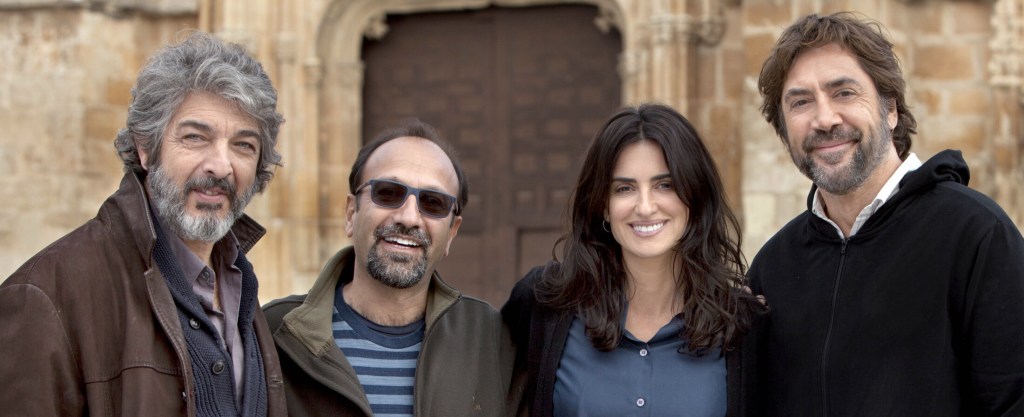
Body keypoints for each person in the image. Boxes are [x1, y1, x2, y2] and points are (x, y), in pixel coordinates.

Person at [750, 11, 1024, 416]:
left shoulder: (976, 235)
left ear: (890, 108)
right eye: (801, 102)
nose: (824, 119)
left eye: (844, 92)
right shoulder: (773, 267)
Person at [0, 31, 287, 416]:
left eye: (243, 145)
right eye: (195, 137)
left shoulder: (240, 282)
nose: (221, 165)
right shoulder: (43, 294)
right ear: (146, 148)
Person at [502, 103, 766, 417]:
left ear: (695, 196)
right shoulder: (544, 304)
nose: (644, 206)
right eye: (624, 188)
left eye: (665, 185)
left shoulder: (742, 326)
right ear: (603, 205)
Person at [262, 119, 515, 417]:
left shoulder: (489, 338)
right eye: (388, 192)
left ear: (452, 232)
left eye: (433, 203)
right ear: (351, 213)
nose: (409, 217)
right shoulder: (272, 333)